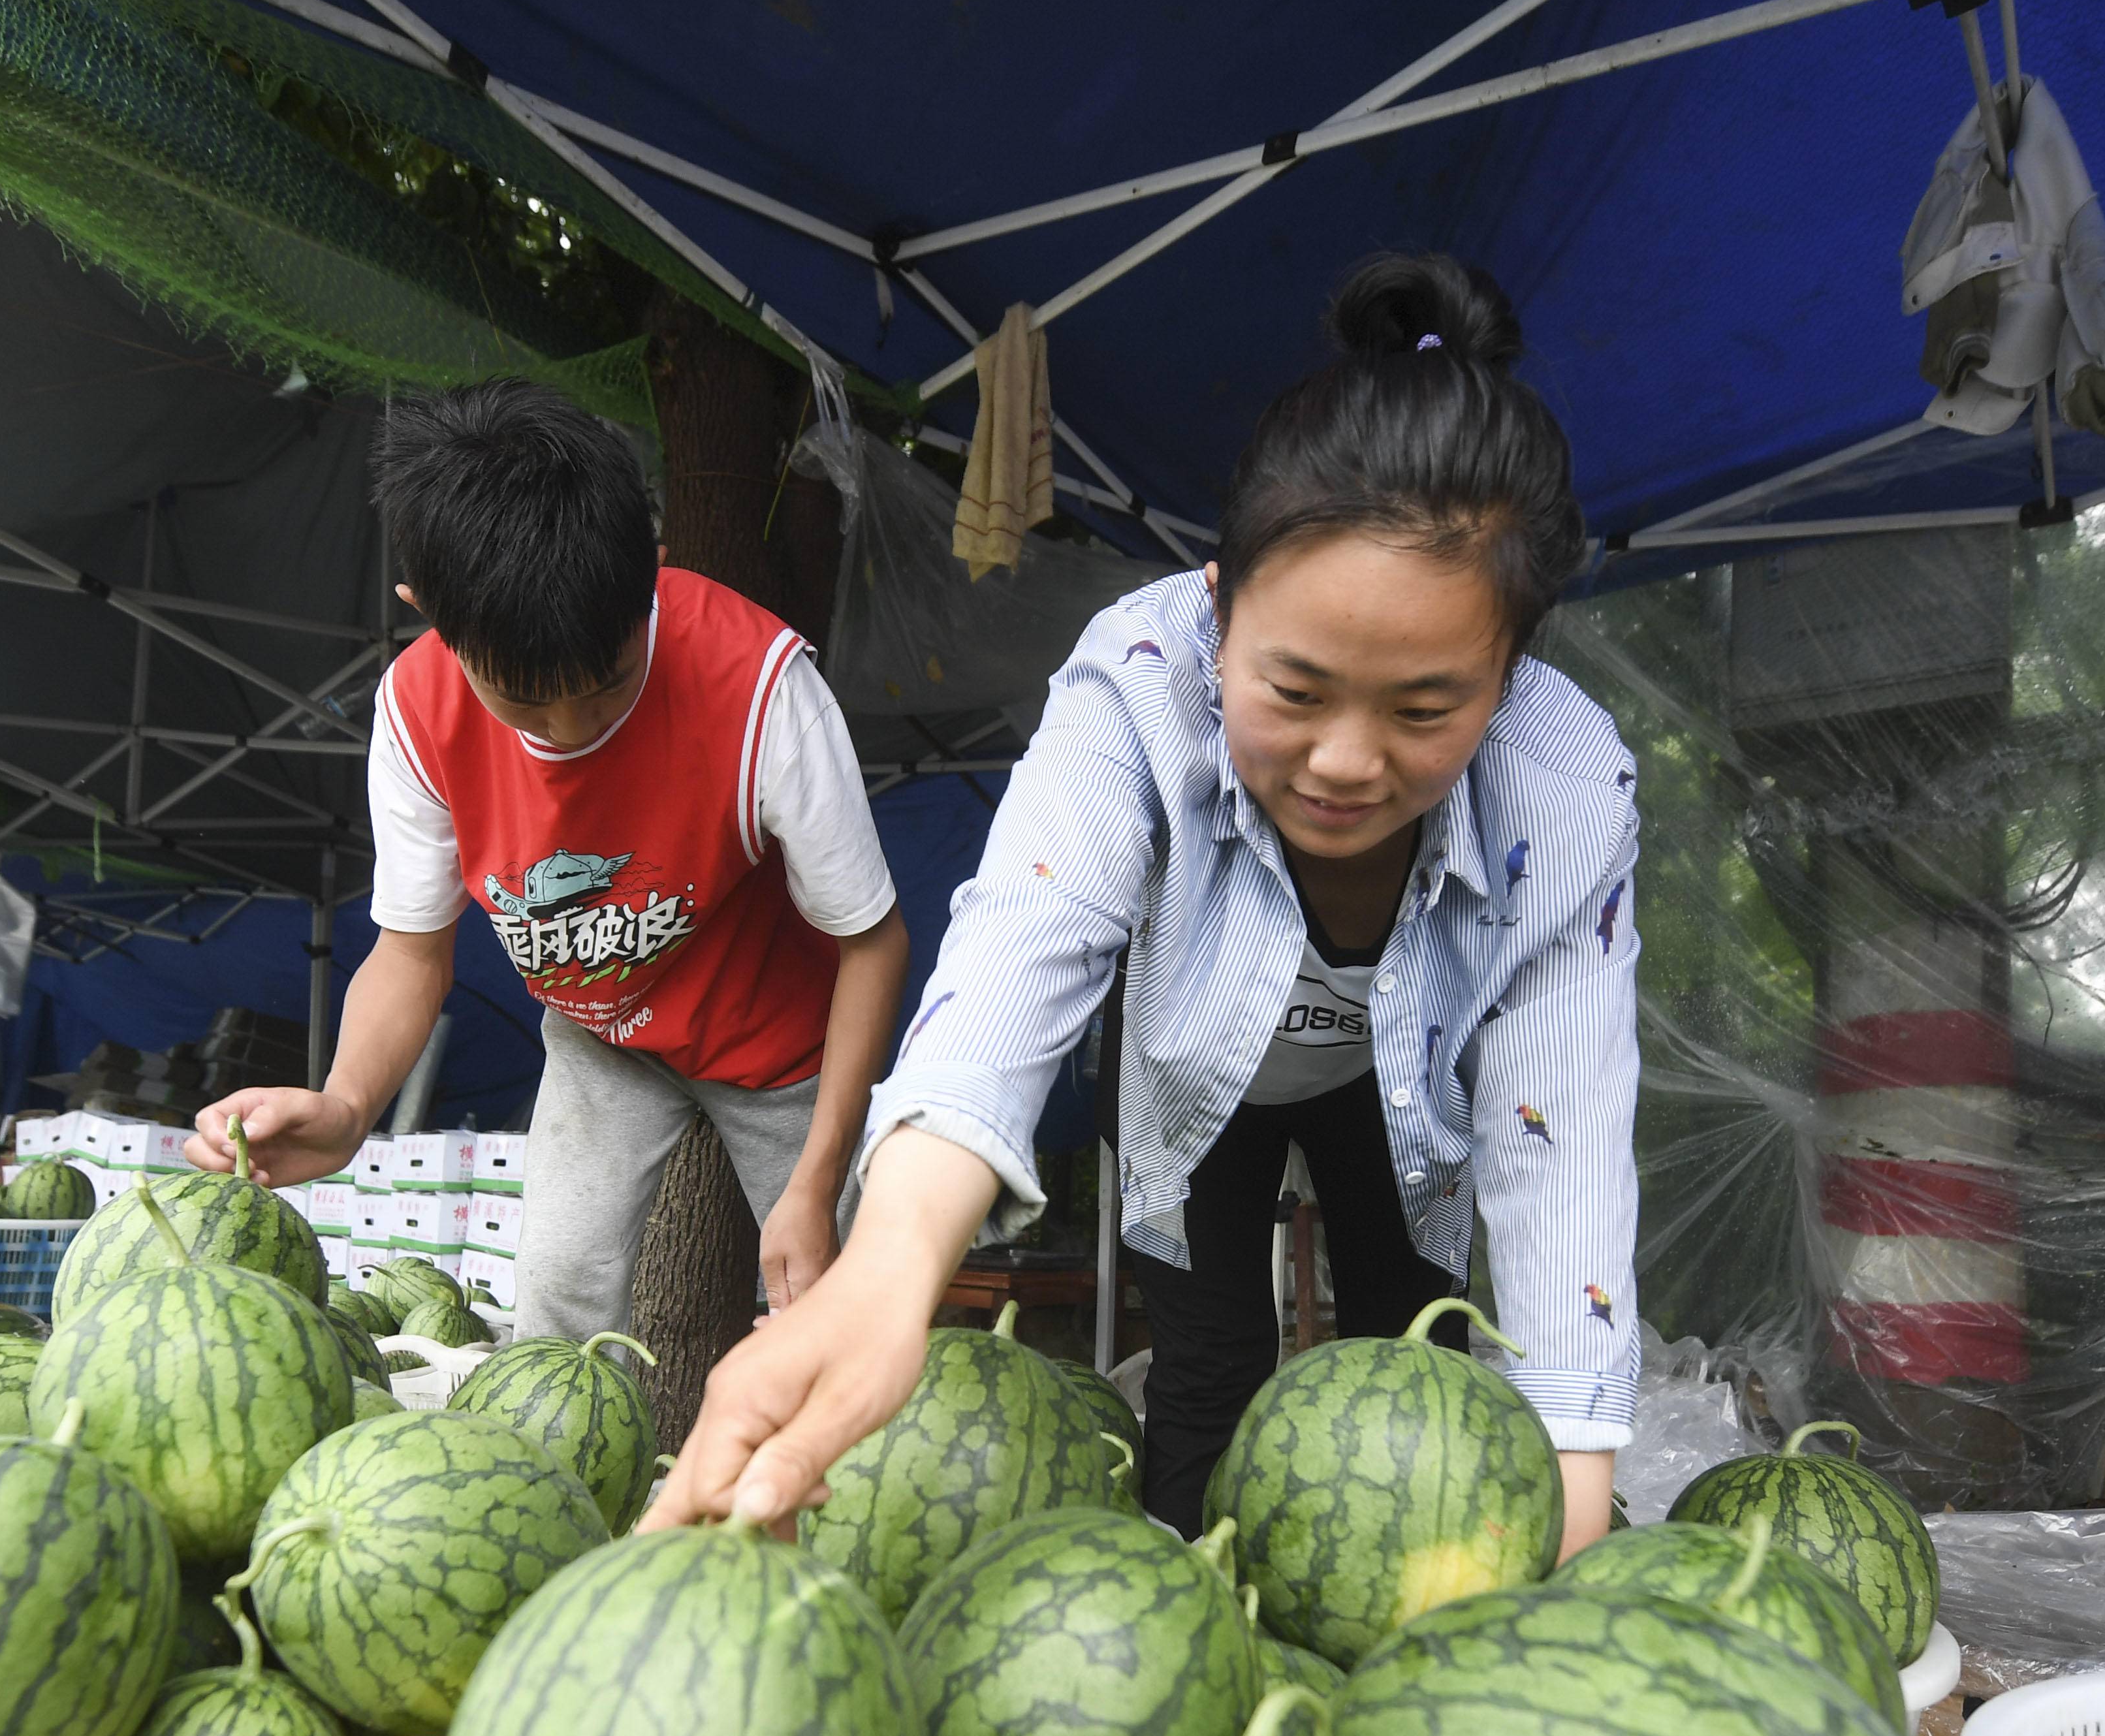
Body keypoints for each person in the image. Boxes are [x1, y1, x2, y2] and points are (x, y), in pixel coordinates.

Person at [653, 255, 1639, 1556]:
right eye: (1293, 691)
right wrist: (891, 1265)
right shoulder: (1140, 680)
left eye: (1424, 708)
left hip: (1395, 1098)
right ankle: (1183, 1573)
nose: (1347, 760)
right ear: (1220, 618)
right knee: (1207, 1363)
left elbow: (1558, 1152)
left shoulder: (1562, 793)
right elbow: (1020, 947)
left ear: (1507, 676)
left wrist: (1562, 1557)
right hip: (1196, 1080)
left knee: (1426, 1356)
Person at [191, 378, 910, 1333]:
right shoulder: (415, 714)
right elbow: (411, 953)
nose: (570, 727)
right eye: (525, 700)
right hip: (603, 1040)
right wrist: (347, 1105)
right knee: (558, 1298)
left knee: (842, 1313)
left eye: (607, 687)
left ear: (647, 575)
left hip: (784, 1046)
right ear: (430, 615)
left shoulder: (763, 691)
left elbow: (874, 942)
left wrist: (817, 1183)